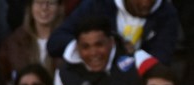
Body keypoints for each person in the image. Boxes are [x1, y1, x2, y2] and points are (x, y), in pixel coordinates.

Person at [47, 0, 180, 66]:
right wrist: (89, 48)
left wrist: (129, 55)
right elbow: (56, 42)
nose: (145, 4)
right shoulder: (99, 4)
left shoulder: (166, 14)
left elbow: (160, 60)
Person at [0, 0, 63, 81]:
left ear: (60, 8)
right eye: (39, 2)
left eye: (51, 3)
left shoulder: (68, 42)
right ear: (30, 7)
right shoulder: (14, 42)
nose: (44, 7)